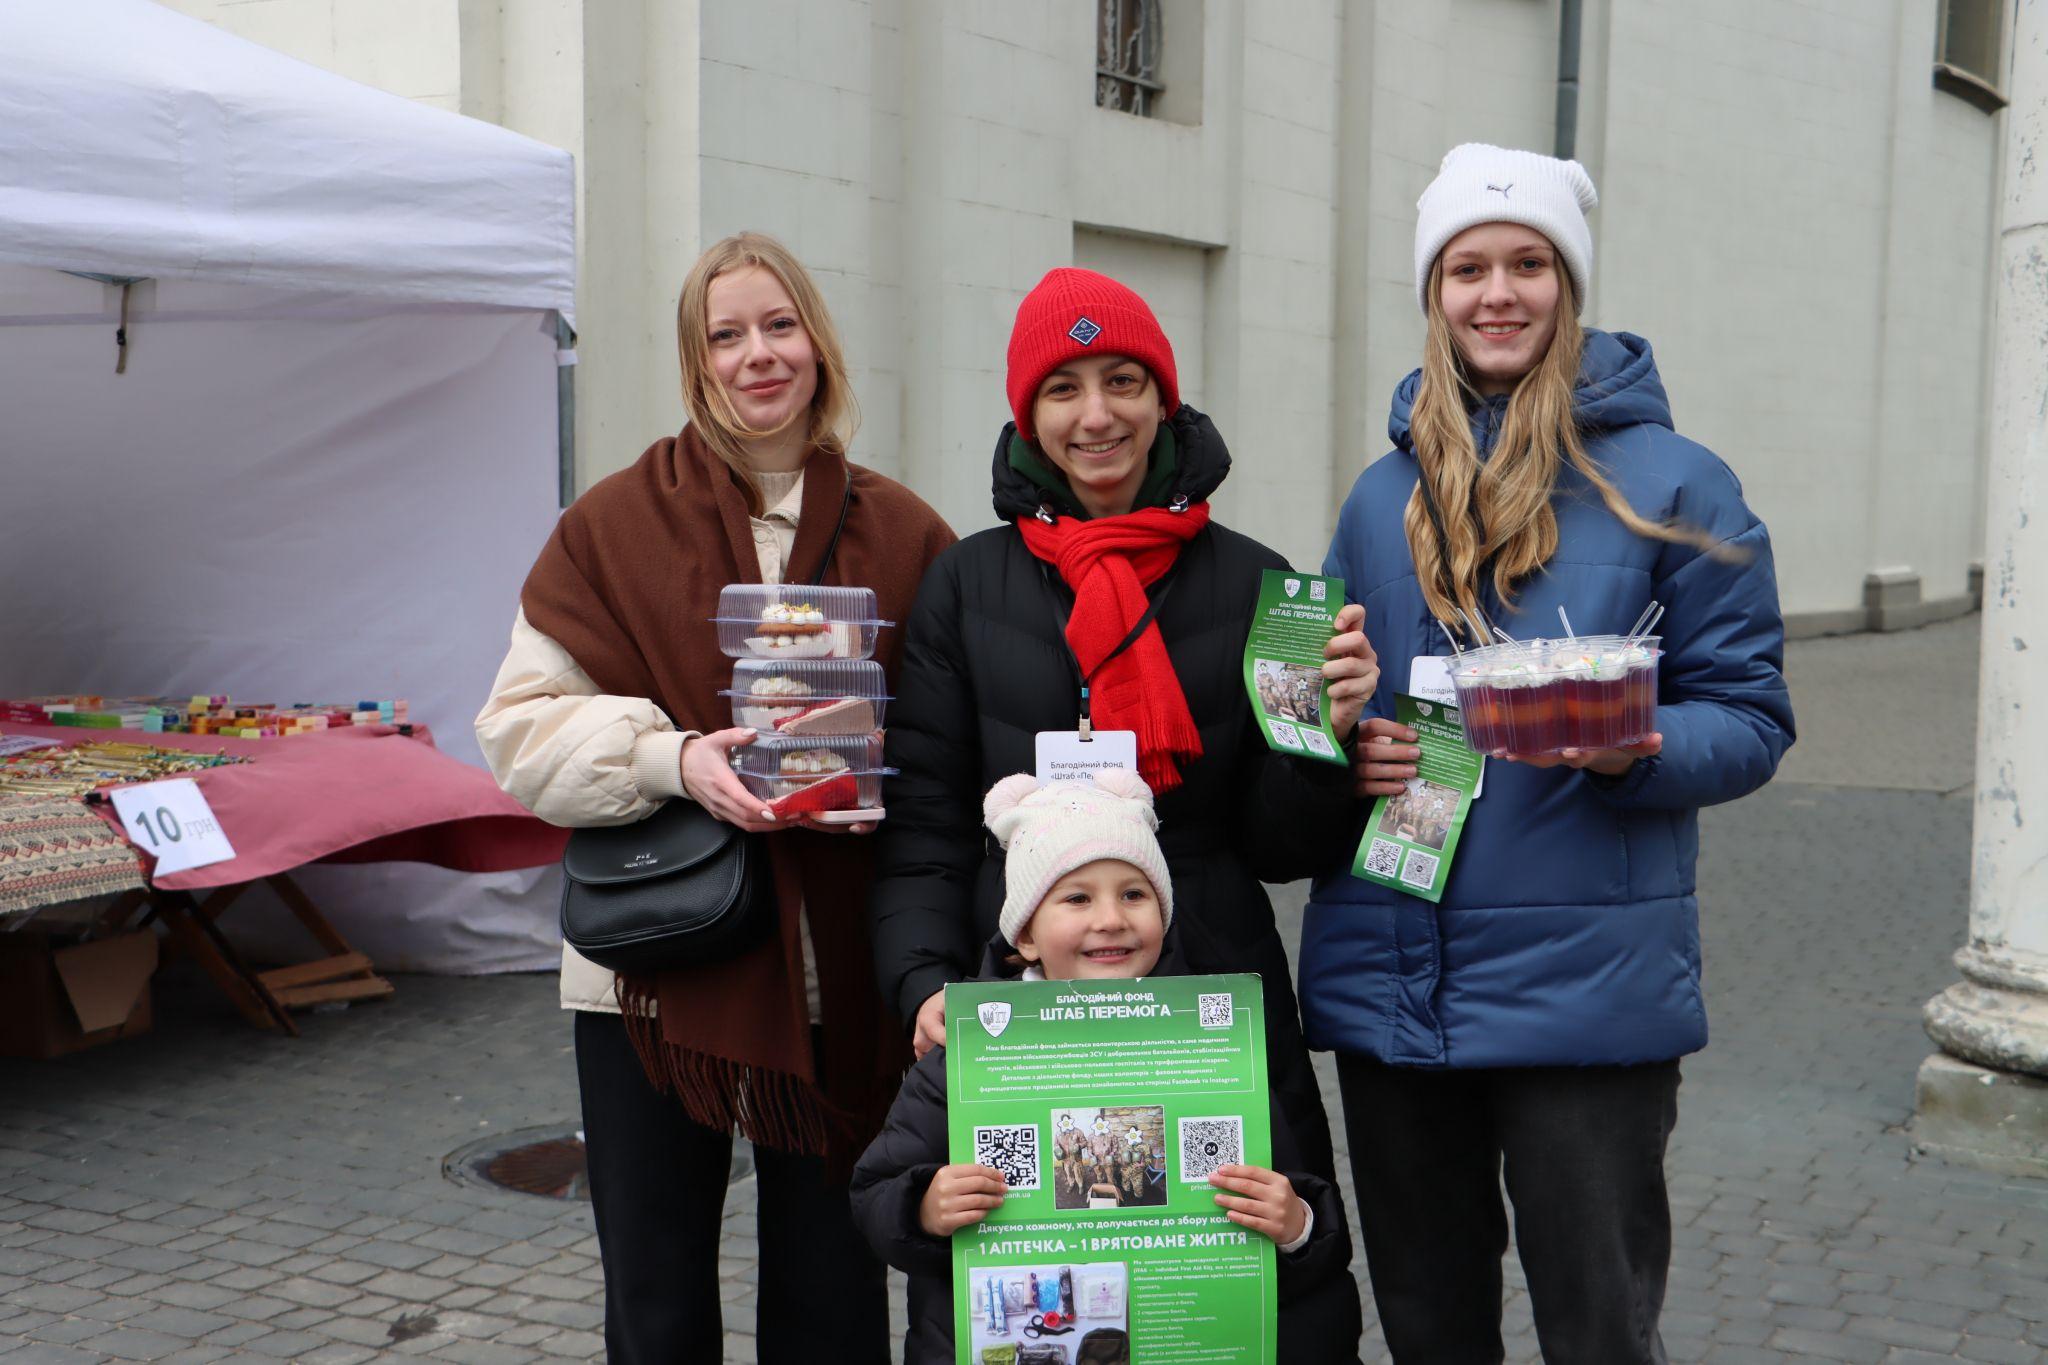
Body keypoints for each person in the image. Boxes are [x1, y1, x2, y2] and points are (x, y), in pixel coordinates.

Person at [1302, 144, 1795, 1363]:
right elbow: (1338, 700)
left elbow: (1749, 715)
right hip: (1397, 983)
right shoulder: (1380, 496)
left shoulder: (1677, 485)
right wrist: (1341, 735)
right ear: (1434, 294)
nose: (1496, 292)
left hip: (1586, 995)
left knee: (1596, 1329)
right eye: (1466, 267)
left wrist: (1630, 744)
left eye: (1527, 264)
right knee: (1427, 1323)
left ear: (1566, 288)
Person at [476, 232, 955, 1363]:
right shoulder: (611, 525)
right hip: (654, 973)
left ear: (817, 343)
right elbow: (517, 730)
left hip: (838, 965)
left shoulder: (903, 532)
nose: (757, 356)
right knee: (655, 1292)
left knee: (834, 1290)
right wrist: (672, 758)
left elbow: (951, 740)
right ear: (695, 361)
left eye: (778, 326)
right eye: (725, 335)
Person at [870, 266, 1377, 1185]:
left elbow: (1277, 845)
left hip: (1210, 986)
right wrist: (921, 982)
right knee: (1034, 1266)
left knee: (1236, 1260)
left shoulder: (1261, 585)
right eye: (1062, 389)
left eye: (1123, 381)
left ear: (1162, 398)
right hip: (1019, 988)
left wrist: (1325, 741)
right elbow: (927, 825)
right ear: (1030, 417)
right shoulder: (966, 584)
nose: (1095, 415)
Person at [850, 771, 1362, 1364]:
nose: (1111, 918)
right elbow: (874, 1193)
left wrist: (1297, 1224)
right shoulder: (972, 1053)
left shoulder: (1212, 1049)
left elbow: (1296, 1192)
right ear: (1026, 935)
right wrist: (922, 1208)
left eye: (1134, 894)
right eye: (1076, 898)